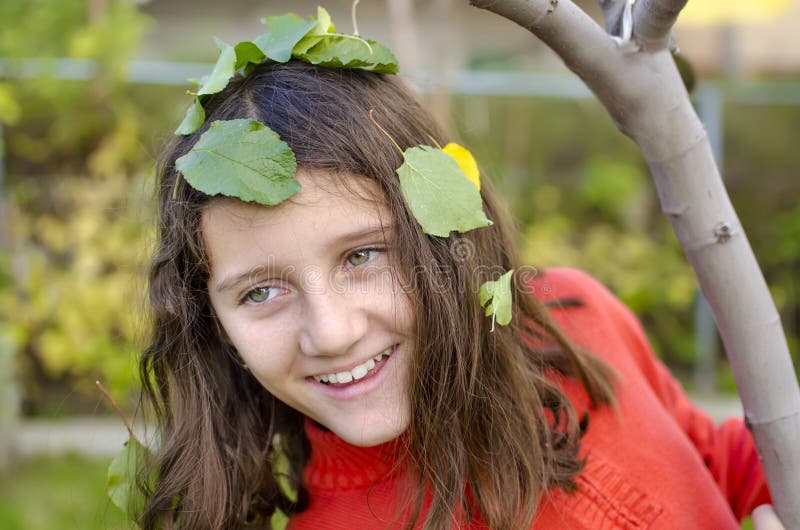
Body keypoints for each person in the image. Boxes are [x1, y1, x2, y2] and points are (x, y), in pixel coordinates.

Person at [138, 50, 773, 530]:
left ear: (440, 229)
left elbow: (712, 457)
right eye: (259, 294)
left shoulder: (572, 315)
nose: (332, 332)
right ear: (211, 321)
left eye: (362, 255)